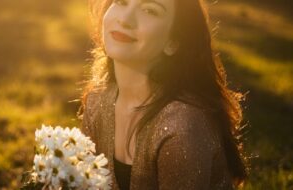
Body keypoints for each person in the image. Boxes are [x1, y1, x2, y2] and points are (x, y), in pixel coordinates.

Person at [78, 0, 249, 189]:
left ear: (172, 42)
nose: (125, 20)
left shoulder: (182, 127)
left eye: (149, 10)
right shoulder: (97, 101)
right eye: (121, 1)